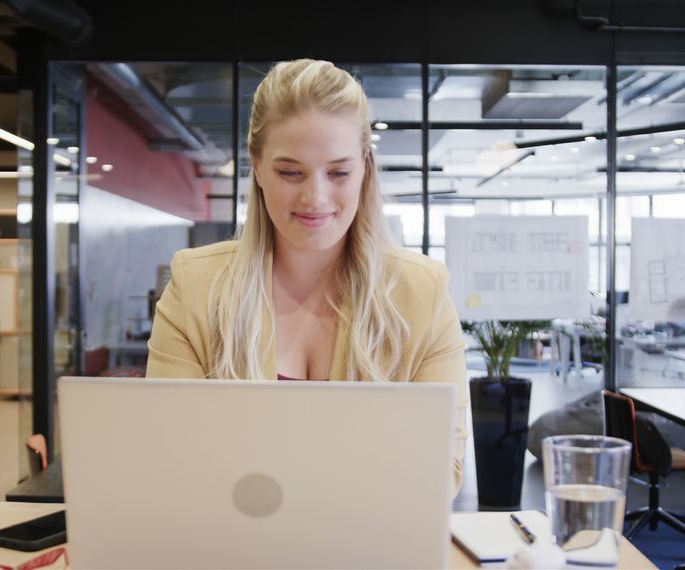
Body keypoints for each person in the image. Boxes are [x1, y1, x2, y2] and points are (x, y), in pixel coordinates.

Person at [146, 59, 468, 493]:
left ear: (365, 169)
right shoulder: (195, 288)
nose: (315, 197)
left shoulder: (423, 294)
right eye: (290, 172)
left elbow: (440, 472)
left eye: (338, 172)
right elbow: (166, 457)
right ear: (257, 168)